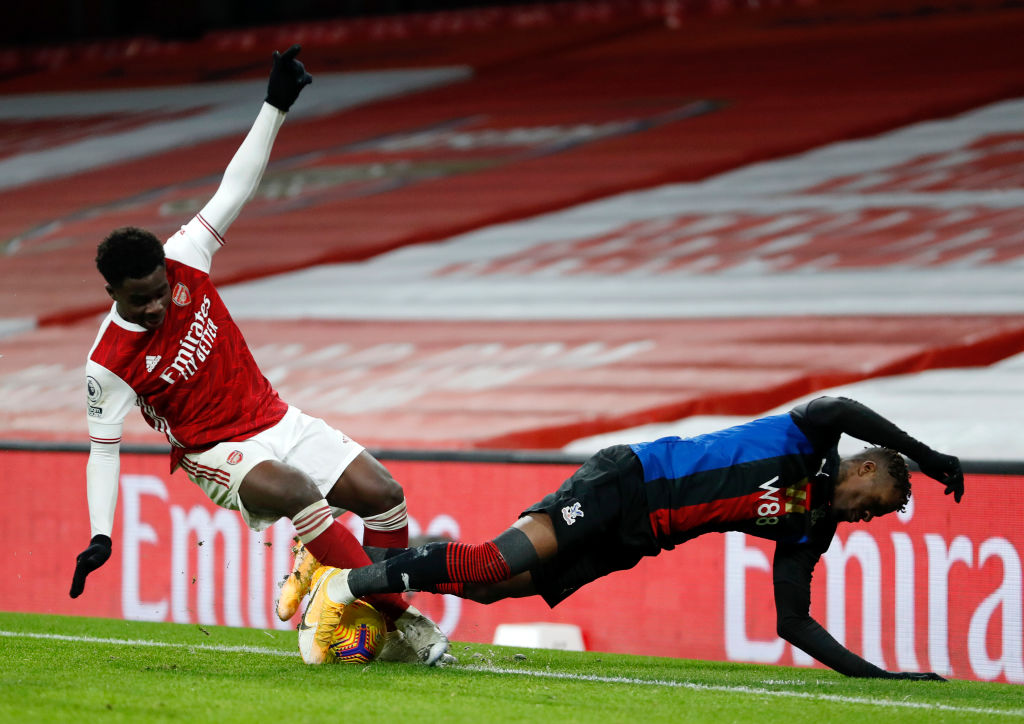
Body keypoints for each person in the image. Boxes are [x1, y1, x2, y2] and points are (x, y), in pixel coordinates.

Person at [70, 44, 449, 665]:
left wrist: (274, 104)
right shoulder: (107, 363)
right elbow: (102, 452)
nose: (156, 308)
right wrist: (102, 533)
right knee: (300, 490)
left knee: (385, 495)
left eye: (161, 295)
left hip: (276, 417)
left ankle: (358, 616)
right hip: (216, 450)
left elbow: (235, 185)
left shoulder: (186, 255)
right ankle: (404, 625)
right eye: (139, 302)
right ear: (111, 292)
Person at [301, 396, 963, 676]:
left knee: (500, 589)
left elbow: (794, 620)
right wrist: (932, 459)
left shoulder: (807, 523)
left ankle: (363, 576)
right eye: (872, 504)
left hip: (635, 537)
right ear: (867, 466)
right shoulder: (811, 436)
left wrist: (881, 676)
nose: (865, 518)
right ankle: (344, 581)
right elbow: (843, 408)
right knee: (490, 561)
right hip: (628, 480)